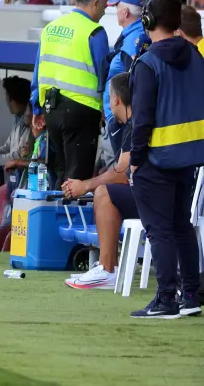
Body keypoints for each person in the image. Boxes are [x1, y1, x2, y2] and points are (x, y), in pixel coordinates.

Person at [127, 0, 202, 319]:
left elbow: (142, 119)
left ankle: (166, 299)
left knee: (160, 230)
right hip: (189, 157)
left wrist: (134, 158)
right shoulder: (197, 56)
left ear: (147, 21)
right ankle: (191, 295)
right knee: (181, 227)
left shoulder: (147, 63)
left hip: (154, 160)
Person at [31, 0, 110, 186]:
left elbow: (37, 71)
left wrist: (36, 107)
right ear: (94, 3)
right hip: (82, 110)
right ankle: (69, 217)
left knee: (61, 170)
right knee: (77, 179)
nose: (104, 11)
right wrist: (106, 107)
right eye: (104, 6)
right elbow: (104, 73)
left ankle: (55, 214)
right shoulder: (94, 31)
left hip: (52, 109)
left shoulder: (50, 28)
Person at [62, 72, 135, 291]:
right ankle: (108, 267)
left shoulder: (138, 122)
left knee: (104, 192)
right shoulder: (132, 124)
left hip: (159, 196)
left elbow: (123, 172)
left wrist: (85, 185)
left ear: (115, 99)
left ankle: (107, 269)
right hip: (162, 192)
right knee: (106, 190)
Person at [99, 0, 148, 166]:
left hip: (121, 120)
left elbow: (131, 81)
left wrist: (122, 118)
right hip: (119, 116)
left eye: (117, 7)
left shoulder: (134, 38)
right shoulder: (134, 35)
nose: (115, 11)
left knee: (119, 172)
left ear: (125, 12)